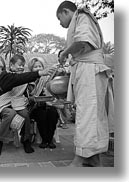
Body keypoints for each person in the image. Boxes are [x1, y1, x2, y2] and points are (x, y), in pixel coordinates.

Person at [56, 1, 114, 166]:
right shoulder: (80, 19)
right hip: (87, 70)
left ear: (66, 12)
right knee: (92, 113)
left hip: (90, 71)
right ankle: (94, 158)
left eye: (60, 19)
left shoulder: (81, 16)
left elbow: (83, 42)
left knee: (88, 114)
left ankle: (79, 159)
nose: (60, 24)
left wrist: (64, 54)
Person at [0, 54, 56, 156]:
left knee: (26, 115)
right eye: (19, 65)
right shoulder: (5, 75)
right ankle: (0, 142)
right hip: (3, 105)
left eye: (22, 65)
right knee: (10, 114)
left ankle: (26, 140)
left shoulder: (23, 78)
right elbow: (17, 79)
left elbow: (24, 87)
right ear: (11, 65)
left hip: (18, 103)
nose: (21, 67)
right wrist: (39, 73)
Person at [27, 57, 59, 149]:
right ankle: (45, 139)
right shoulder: (28, 80)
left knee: (53, 113)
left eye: (40, 66)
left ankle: (49, 138)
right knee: (41, 114)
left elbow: (53, 93)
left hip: (48, 105)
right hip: (34, 107)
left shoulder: (47, 79)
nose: (38, 68)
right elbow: (28, 97)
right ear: (31, 69)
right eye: (35, 67)